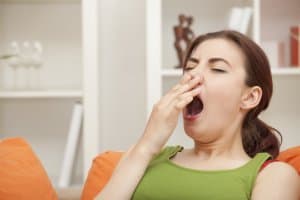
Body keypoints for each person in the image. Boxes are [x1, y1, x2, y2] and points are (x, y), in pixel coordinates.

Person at [96, 30, 300, 199]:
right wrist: (148, 144)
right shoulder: (142, 156)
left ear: (249, 97)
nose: (193, 75)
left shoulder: (274, 175)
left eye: (218, 69)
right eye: (190, 67)